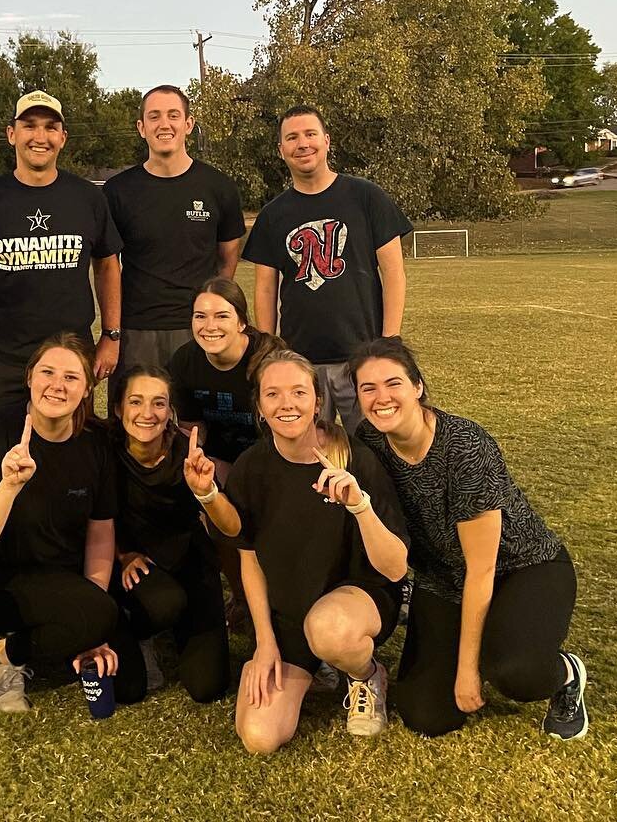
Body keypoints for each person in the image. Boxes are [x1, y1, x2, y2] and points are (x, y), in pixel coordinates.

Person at [348, 336, 589, 740]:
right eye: (367, 388)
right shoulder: (369, 440)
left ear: (417, 387)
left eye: (393, 384)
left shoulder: (464, 447)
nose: (381, 398)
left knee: (515, 672)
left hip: (522, 567)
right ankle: (491, 643)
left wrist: (466, 669)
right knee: (426, 715)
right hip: (442, 580)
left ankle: (566, 673)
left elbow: (482, 567)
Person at [199, 350, 411, 753]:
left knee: (328, 629)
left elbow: (396, 568)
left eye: (298, 392)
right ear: (259, 407)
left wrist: (359, 505)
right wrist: (264, 643)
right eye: (273, 394)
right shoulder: (251, 466)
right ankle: (317, 667)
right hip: (290, 615)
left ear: (317, 400)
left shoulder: (354, 459)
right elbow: (249, 558)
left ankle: (366, 674)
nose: (287, 404)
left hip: (357, 600)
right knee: (260, 736)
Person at [0, 333, 139, 711]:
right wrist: (8, 487)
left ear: (87, 389)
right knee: (97, 618)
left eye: (71, 377)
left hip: (60, 574)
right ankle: (2, 655)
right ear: (29, 379)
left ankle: (47, 632)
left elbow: (101, 533)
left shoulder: (95, 442)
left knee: (131, 684)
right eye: (47, 372)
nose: (57, 385)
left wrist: (91, 617)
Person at [0, 91, 123, 416]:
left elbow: (107, 265)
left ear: (63, 138)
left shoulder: (86, 198)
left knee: (71, 456)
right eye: (29, 126)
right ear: (12, 134)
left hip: (70, 357)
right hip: (1, 359)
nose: (40, 137)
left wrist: (111, 335)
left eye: (50, 127)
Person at [242, 105, 412, 430]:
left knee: (371, 446)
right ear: (281, 150)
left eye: (310, 134)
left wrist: (390, 339)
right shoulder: (272, 215)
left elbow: (393, 274)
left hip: (362, 355)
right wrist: (269, 347)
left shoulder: (366, 197)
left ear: (327, 140)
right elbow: (265, 287)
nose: (302, 144)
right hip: (300, 359)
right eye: (292, 137)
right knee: (305, 450)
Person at [102, 85, 244, 404]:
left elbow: (227, 259)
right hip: (137, 331)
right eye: (154, 116)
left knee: (198, 428)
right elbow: (107, 266)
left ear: (188, 124)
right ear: (142, 127)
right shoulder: (117, 192)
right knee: (136, 425)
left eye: (173, 115)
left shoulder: (218, 187)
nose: (164, 124)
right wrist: (112, 333)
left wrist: (210, 313)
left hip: (197, 330)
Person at [108, 365, 229, 703]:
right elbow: (88, 519)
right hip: (133, 562)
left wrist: (207, 491)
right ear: (118, 409)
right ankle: (141, 630)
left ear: (170, 410)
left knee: (208, 687)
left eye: (158, 403)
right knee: (164, 603)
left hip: (188, 559)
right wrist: (122, 555)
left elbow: (228, 527)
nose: (147, 413)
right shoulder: (103, 449)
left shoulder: (186, 454)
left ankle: (176, 626)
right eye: (135, 402)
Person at [166, 276, 281, 625]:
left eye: (221, 316)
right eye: (200, 316)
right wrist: (192, 447)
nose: (209, 326)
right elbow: (191, 425)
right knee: (208, 505)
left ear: (241, 321)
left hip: (270, 458)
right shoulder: (186, 360)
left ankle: (282, 594)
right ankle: (242, 594)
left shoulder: (268, 358)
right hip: (221, 460)